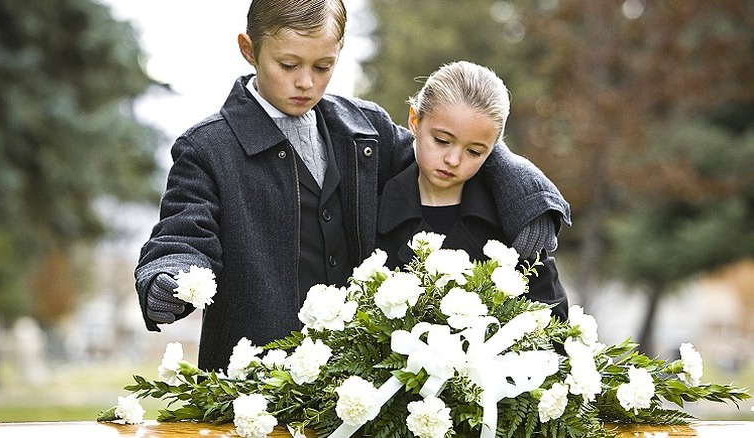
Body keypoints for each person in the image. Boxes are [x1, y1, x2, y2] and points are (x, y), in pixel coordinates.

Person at [135, 0, 571, 372]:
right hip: (253, 383)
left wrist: (529, 198)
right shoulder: (207, 148)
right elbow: (182, 235)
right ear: (249, 50)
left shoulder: (366, 128)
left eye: (323, 66)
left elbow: (450, 148)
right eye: (288, 65)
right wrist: (166, 276)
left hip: (354, 383)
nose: (306, 82)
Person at [376, 61, 569, 320]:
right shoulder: (371, 200)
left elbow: (553, 318)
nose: (454, 160)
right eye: (442, 141)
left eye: (474, 151)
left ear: (494, 149)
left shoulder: (514, 220)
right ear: (414, 120)